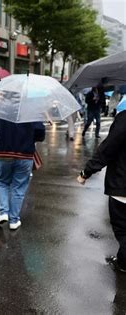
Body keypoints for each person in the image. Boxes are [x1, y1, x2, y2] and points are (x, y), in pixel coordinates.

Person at [77, 101, 126, 272]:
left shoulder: (124, 119)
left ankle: (124, 262)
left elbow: (107, 150)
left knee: (122, 228)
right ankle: (122, 259)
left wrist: (86, 172)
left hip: (123, 185)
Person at [0, 117, 45, 230]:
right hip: (25, 154)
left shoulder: (3, 108)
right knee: (19, 187)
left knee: (2, 183)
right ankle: (14, 220)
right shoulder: (31, 111)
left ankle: (3, 212)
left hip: (4, 152)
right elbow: (40, 135)